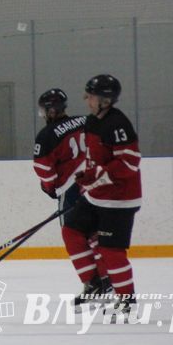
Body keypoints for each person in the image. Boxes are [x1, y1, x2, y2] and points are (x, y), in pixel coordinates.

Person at [63, 75, 142, 318]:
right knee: (72, 231)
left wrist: (98, 174)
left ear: (105, 99)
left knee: (111, 251)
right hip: (97, 196)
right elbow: (95, 159)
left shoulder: (118, 124)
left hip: (119, 200)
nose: (87, 99)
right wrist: (88, 175)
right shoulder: (92, 121)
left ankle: (126, 299)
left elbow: (130, 163)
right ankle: (94, 284)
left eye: (91, 96)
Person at [32, 89, 108, 305]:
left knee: (72, 234)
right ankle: (107, 280)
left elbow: (44, 171)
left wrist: (50, 188)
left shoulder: (46, 136)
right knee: (94, 232)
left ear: (49, 110)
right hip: (97, 182)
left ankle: (93, 283)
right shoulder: (86, 121)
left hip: (72, 187)